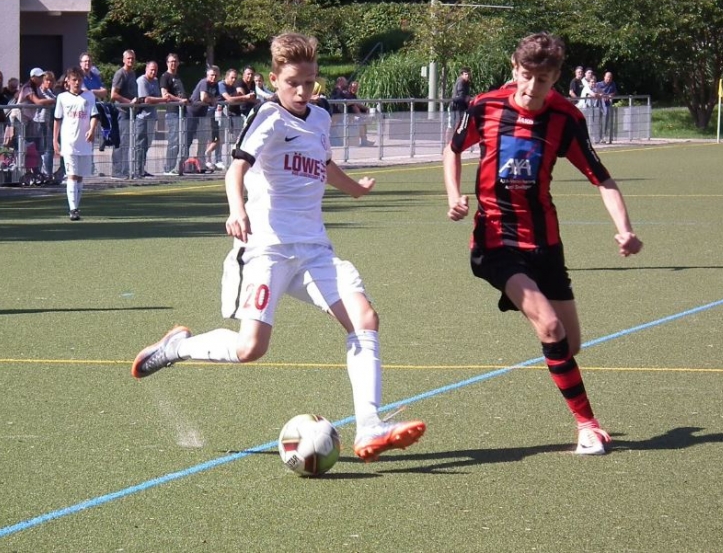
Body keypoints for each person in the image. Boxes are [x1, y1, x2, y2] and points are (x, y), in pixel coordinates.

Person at [131, 32, 427, 463]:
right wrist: (237, 210)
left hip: (314, 249)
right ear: (274, 80)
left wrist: (354, 190)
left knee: (364, 318)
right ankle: (177, 347)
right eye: (293, 83)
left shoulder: (320, 118)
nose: (303, 91)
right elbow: (236, 170)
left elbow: (324, 165)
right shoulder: (268, 116)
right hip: (267, 248)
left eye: (310, 82)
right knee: (251, 348)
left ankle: (369, 426)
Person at [442, 32, 643, 456]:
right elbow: (453, 149)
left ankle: (555, 353)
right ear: (515, 69)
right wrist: (454, 195)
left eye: (545, 80)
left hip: (546, 244)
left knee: (569, 344)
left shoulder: (566, 118)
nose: (533, 87)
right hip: (495, 242)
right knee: (550, 328)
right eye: (527, 76)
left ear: (557, 78)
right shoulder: (485, 106)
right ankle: (588, 426)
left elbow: (602, 178)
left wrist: (624, 229)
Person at [53, 67, 99, 221]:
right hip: (69, 142)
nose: (77, 83)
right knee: (71, 175)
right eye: (74, 80)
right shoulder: (62, 98)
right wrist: (55, 140)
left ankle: (77, 206)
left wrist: (92, 129)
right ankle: (73, 209)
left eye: (79, 79)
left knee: (79, 177)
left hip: (84, 142)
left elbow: (94, 115)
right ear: (68, 81)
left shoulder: (89, 96)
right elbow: (57, 120)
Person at [110, 49, 139, 177]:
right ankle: (117, 171)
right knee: (121, 142)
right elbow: (113, 95)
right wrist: (129, 102)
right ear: (123, 60)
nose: (130, 61)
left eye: (132, 58)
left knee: (127, 142)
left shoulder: (132, 73)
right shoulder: (120, 74)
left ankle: (124, 169)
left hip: (131, 113)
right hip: (122, 112)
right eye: (128, 58)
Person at [135, 60, 166, 177]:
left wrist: (158, 99)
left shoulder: (155, 81)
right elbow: (146, 99)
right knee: (140, 143)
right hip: (142, 117)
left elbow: (155, 97)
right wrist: (163, 99)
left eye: (155, 70)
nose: (153, 72)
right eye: (151, 70)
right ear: (146, 69)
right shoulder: (141, 81)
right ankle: (136, 169)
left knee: (147, 144)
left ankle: (142, 169)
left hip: (152, 117)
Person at [160, 53, 188, 175]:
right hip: (172, 112)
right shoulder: (165, 77)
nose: (173, 63)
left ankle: (178, 167)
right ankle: (168, 168)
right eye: (171, 61)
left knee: (181, 141)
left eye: (175, 61)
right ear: (167, 63)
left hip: (182, 112)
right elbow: (165, 94)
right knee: (174, 140)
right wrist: (180, 100)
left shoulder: (177, 77)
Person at [596, 71, 618, 144]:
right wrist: (603, 96)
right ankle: (598, 137)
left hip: (608, 105)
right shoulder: (598, 84)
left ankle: (604, 136)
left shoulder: (613, 84)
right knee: (598, 121)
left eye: (610, 77)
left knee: (606, 121)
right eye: (608, 77)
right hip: (599, 105)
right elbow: (595, 92)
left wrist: (610, 95)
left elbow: (614, 92)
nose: (609, 79)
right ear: (604, 77)